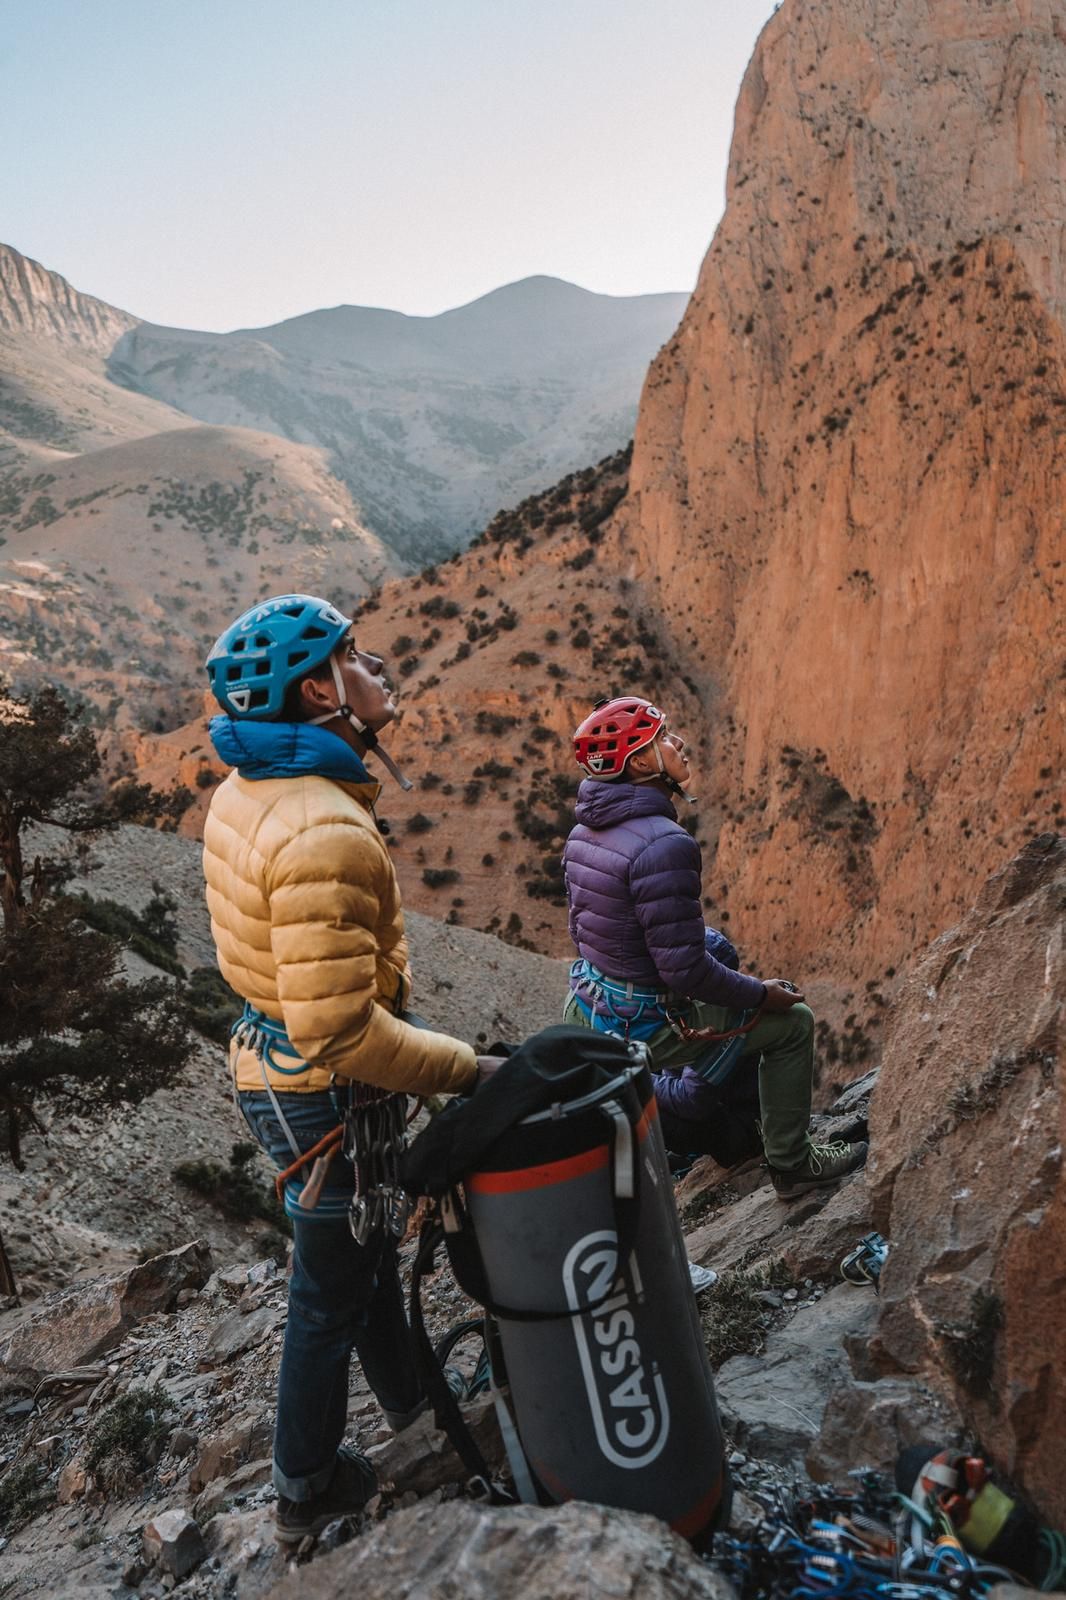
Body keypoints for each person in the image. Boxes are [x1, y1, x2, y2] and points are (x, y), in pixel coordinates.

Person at [201, 594, 495, 1544]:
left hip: (276, 1069)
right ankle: (305, 1489)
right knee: (327, 1292)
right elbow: (340, 1032)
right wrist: (465, 1070)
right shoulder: (321, 829)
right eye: (354, 655)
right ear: (317, 689)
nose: (378, 666)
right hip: (323, 1090)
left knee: (361, 1263)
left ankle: (417, 1410)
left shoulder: (248, 788)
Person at [561, 695, 867, 1201]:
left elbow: (584, 926)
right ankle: (793, 1163)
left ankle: (736, 1124)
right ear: (639, 762)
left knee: (720, 966)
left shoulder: (582, 831)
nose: (678, 743)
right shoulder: (664, 844)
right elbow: (685, 972)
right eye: (662, 738)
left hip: (588, 1006)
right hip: (640, 1018)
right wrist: (759, 995)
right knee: (794, 1024)